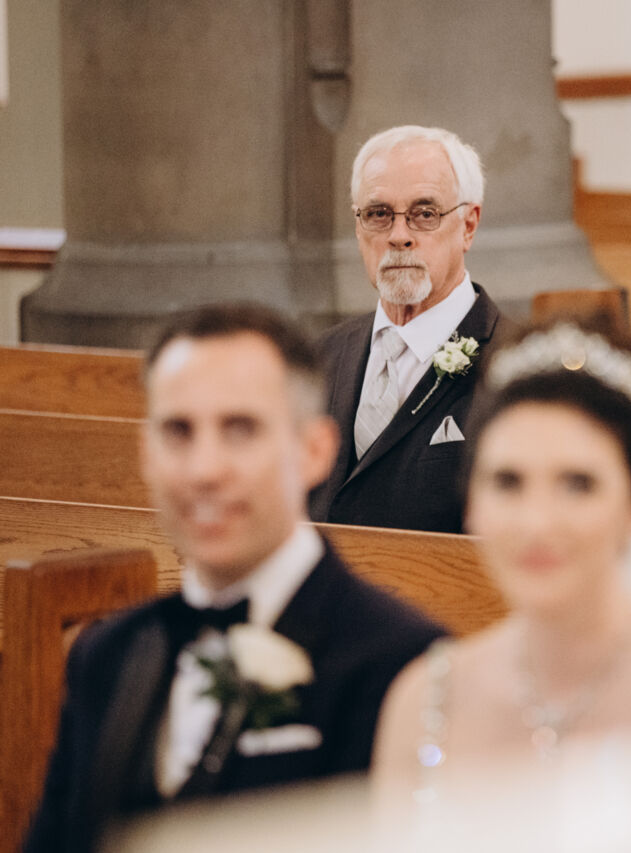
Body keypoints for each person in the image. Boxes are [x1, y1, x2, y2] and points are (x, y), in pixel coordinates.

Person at [24, 304, 445, 852]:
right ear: (146, 454)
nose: (204, 470)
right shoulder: (106, 655)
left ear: (314, 451)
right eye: (178, 432)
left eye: (240, 429)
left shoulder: (402, 666)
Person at [373, 320, 631, 798]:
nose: (537, 523)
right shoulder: (424, 701)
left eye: (578, 484)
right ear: (470, 502)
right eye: (508, 482)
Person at [309, 125, 514, 534]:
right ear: (358, 226)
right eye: (378, 214)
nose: (399, 236)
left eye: (425, 214)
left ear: (468, 226)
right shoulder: (320, 358)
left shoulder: (514, 366)